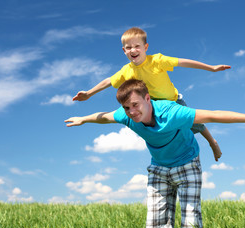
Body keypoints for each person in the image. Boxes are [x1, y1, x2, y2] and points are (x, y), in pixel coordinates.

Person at [65, 79, 245, 228]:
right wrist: (82, 119)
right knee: (153, 223)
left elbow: (214, 114)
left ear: (147, 98)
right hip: (159, 168)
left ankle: (212, 143)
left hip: (188, 163)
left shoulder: (171, 113)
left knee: (190, 224)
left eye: (135, 105)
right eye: (126, 108)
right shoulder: (126, 115)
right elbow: (104, 117)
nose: (131, 112)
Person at [72, 27, 231, 162]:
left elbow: (184, 62)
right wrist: (88, 93)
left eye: (137, 46)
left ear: (145, 47)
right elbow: (108, 81)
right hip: (151, 107)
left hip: (173, 102)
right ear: (124, 50)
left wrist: (211, 68)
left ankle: (212, 142)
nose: (133, 50)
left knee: (195, 123)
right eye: (128, 47)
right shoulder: (126, 71)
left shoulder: (157, 60)